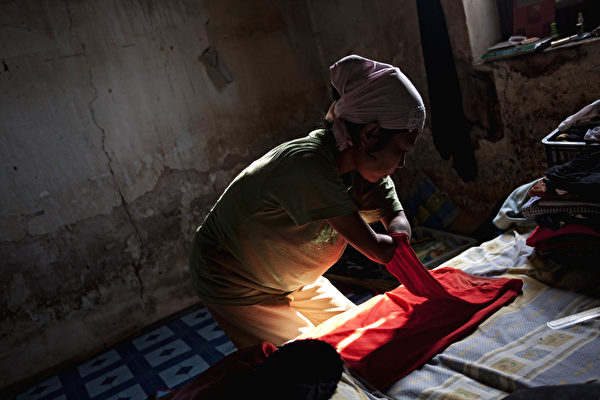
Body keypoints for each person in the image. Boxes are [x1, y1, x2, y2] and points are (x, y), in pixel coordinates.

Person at [189, 54, 426, 349]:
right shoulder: (308, 165)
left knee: (366, 340)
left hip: (292, 279)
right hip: (237, 282)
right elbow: (378, 249)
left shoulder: (367, 171)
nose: (402, 163)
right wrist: (398, 247)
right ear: (370, 134)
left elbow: (396, 217)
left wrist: (399, 236)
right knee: (316, 363)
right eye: (401, 150)